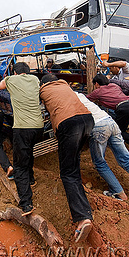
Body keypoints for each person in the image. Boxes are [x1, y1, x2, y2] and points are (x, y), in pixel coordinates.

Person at [39, 74, 95, 243]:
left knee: (67, 173)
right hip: (88, 120)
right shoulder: (65, 85)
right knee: (74, 161)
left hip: (68, 123)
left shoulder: (42, 90)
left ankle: (82, 218)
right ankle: (80, 194)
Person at [0, 62, 44, 217]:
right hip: (38, 127)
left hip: (22, 127)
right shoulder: (35, 80)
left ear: (15, 72)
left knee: (19, 165)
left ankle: (26, 203)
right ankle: (31, 179)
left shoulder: (11, 79)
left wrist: (10, 77)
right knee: (28, 151)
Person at [87, 74, 129, 169]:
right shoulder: (115, 86)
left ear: (97, 84)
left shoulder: (97, 91)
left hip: (125, 108)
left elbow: (85, 100)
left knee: (118, 133)